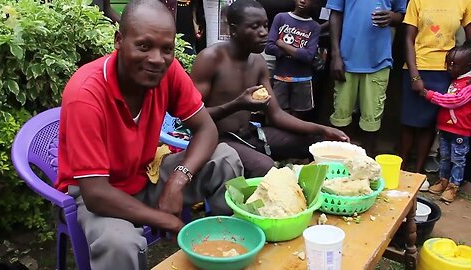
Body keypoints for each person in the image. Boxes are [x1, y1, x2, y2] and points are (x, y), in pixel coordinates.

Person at [55, 0, 243, 269]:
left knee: (224, 158)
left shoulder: (168, 71)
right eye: (143, 46)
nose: (157, 59)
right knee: (118, 244)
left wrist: (178, 180)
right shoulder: (85, 95)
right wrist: (167, 220)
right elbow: (96, 193)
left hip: (144, 174)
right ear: (119, 40)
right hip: (98, 193)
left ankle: (225, 251)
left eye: (166, 49)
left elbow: (206, 128)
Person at [191, 0, 349, 178]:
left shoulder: (258, 62)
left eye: (266, 26)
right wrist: (237, 104)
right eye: (254, 27)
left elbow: (276, 114)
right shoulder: (210, 59)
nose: (264, 33)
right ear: (233, 29)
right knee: (264, 166)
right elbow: (192, 117)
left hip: (249, 134)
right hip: (216, 140)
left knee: (316, 142)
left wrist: (322, 129)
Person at [399, 0, 471, 173]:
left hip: (445, 71)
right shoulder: (417, 1)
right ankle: (400, 168)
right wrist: (414, 75)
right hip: (417, 67)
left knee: (429, 123)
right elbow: (408, 39)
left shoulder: (464, 2)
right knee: (407, 122)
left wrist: (464, 67)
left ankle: (418, 171)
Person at [327, 0, 406, 157]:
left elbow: (401, 15)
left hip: (379, 59)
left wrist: (392, 17)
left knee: (372, 116)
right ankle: (341, 159)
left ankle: (367, 160)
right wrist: (335, 55)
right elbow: (335, 14)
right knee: (341, 114)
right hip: (346, 59)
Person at [416, 42, 471, 202]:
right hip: (445, 128)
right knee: (445, 157)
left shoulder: (468, 84)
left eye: (454, 65)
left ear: (468, 66)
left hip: (460, 130)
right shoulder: (455, 80)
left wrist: (430, 95)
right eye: (448, 64)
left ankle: (453, 187)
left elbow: (455, 100)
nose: (449, 68)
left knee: (458, 159)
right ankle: (443, 181)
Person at [265, 0, 321, 120]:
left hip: (303, 80)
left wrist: (282, 44)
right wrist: (297, 52)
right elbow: (269, 47)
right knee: (278, 114)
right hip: (281, 77)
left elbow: (308, 56)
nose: (303, 1)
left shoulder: (314, 26)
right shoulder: (281, 18)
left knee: (299, 117)